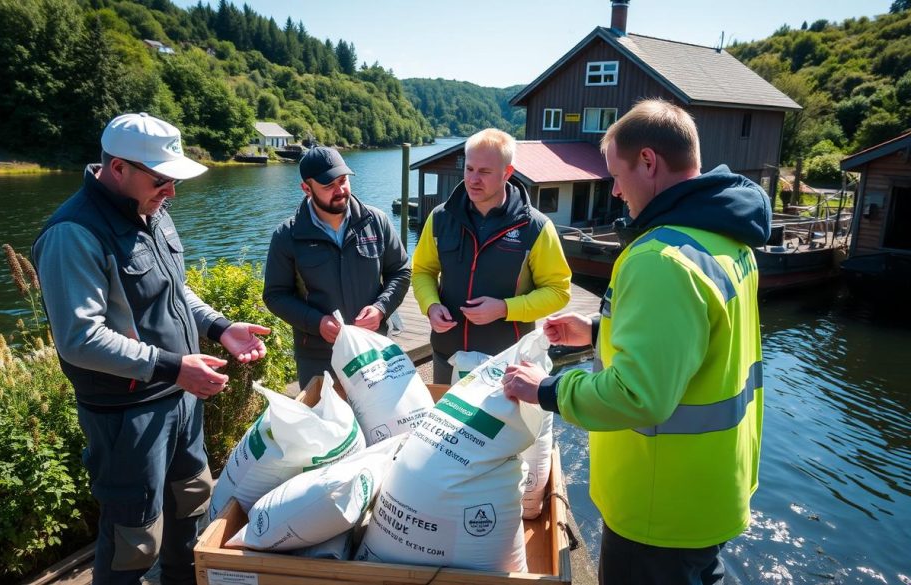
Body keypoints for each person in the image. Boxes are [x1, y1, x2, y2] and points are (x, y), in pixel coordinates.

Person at [502, 99, 770, 585]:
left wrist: (546, 389)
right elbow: (699, 348)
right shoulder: (725, 241)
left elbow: (637, 394)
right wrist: (601, 332)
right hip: (710, 488)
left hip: (658, 506)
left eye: (616, 174)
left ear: (648, 162)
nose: (614, 188)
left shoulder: (661, 258)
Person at [33, 112, 270, 585]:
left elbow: (175, 290)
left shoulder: (152, 211)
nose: (172, 192)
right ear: (118, 168)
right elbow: (80, 339)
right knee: (134, 540)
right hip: (127, 415)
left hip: (180, 401)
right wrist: (173, 367)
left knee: (192, 501)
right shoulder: (72, 233)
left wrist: (219, 328)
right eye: (162, 179)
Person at [411, 128, 571, 383]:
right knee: (445, 423)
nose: (473, 179)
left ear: (507, 173)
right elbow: (422, 271)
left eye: (484, 172)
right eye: (469, 169)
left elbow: (558, 291)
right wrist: (430, 305)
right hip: (447, 356)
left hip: (505, 362)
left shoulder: (536, 227)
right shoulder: (441, 218)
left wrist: (504, 309)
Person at [263, 146, 411, 388]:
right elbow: (275, 295)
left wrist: (381, 308)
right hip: (319, 358)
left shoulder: (376, 222)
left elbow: (401, 271)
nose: (340, 190)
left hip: (374, 348)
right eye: (328, 186)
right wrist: (316, 322)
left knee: (377, 424)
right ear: (306, 189)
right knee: (325, 425)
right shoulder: (287, 235)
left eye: (342, 181)